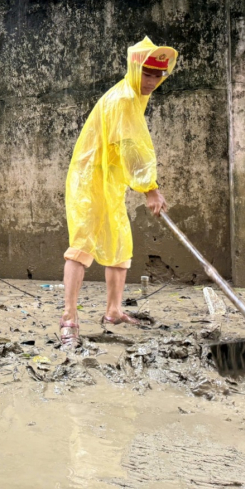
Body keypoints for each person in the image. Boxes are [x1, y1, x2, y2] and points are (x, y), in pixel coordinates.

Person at [59, 37, 178, 348]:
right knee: (83, 243)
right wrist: (149, 188)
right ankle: (69, 319)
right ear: (135, 70)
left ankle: (113, 311)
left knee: (120, 242)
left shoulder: (135, 95)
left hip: (110, 178)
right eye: (147, 73)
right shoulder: (124, 99)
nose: (152, 81)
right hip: (90, 177)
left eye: (158, 75)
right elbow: (131, 147)